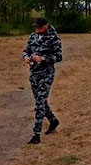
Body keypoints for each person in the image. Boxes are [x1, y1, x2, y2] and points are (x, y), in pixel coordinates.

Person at [22, 17, 63, 145]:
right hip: (34, 74)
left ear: (46, 25)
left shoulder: (54, 39)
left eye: (39, 27)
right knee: (41, 102)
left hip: (46, 74)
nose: (37, 29)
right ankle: (53, 120)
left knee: (40, 102)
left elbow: (58, 57)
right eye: (35, 27)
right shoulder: (33, 36)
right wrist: (26, 58)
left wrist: (43, 59)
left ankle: (36, 135)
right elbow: (26, 50)